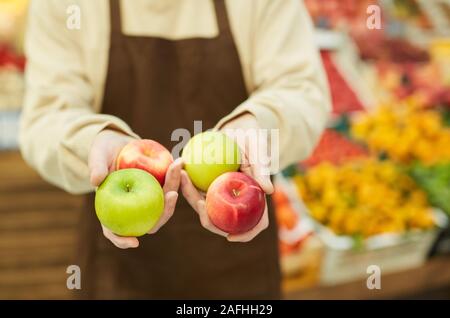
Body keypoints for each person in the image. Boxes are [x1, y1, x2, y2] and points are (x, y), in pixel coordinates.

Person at [20, 0, 330, 299]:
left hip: (239, 258)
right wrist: (92, 141)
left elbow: (303, 92)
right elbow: (44, 119)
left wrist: (257, 124)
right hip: (119, 263)